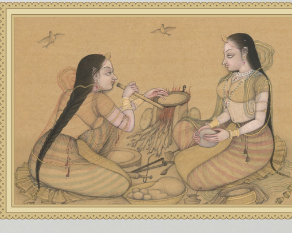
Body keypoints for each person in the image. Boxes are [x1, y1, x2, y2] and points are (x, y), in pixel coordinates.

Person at [26, 54, 167, 199]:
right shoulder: (99, 99)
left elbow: (115, 116)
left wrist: (144, 97)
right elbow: (127, 125)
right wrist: (125, 98)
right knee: (122, 183)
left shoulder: (70, 94)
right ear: (94, 75)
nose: (114, 77)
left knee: (106, 130)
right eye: (108, 73)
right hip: (61, 163)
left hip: (38, 159)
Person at [173, 33, 276, 191]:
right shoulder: (230, 80)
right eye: (225, 56)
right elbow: (228, 113)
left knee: (196, 180)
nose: (224, 62)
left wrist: (229, 135)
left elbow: (259, 121)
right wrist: (209, 125)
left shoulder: (259, 81)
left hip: (253, 142)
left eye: (229, 56)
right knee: (182, 142)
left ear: (244, 53)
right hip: (230, 129)